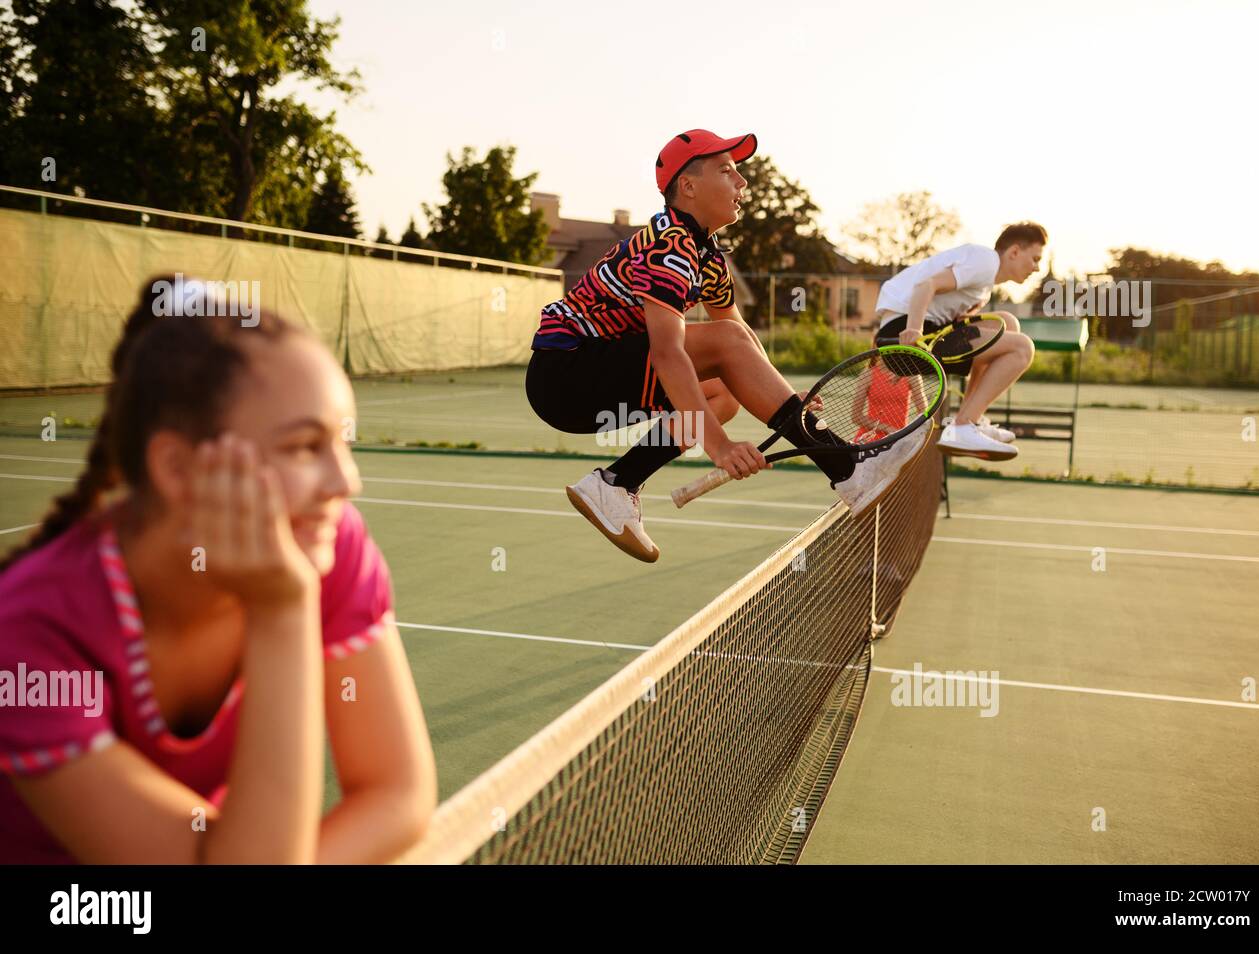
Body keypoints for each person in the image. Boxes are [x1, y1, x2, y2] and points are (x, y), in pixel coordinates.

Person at [0, 277, 436, 863]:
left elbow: (396, 794)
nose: (346, 482)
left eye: (343, 442)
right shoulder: (28, 633)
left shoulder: (326, 545)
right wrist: (282, 610)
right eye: (305, 447)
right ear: (177, 468)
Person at [526, 129, 925, 562]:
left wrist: (787, 397)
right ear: (689, 186)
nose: (743, 183)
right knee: (723, 351)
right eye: (727, 171)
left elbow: (741, 342)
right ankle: (850, 471)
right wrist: (720, 447)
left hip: (588, 381)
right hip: (564, 376)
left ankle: (616, 485)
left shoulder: (707, 256)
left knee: (725, 392)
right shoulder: (669, 246)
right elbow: (668, 353)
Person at [874, 223, 1047, 460]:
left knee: (1005, 323)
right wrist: (912, 330)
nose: (1037, 268)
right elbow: (927, 285)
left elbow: (962, 327)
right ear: (1014, 252)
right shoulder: (985, 260)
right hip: (902, 333)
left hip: (930, 333)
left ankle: (967, 421)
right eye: (1035, 259)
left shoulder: (984, 289)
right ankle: (964, 425)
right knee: (1022, 347)